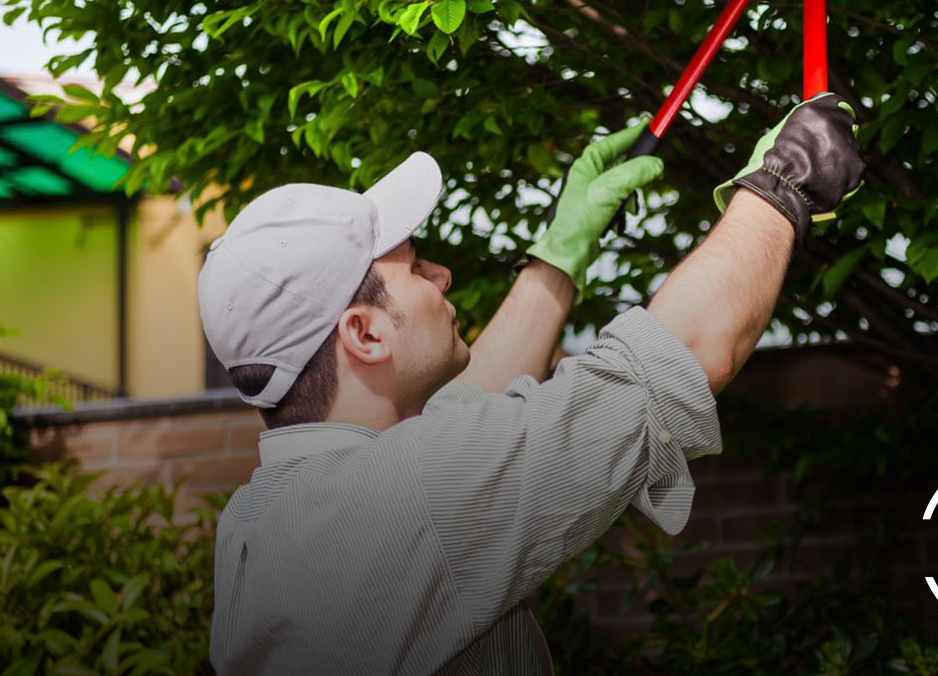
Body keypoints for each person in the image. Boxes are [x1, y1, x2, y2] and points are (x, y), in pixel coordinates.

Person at [199, 92, 864, 674]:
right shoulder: (409, 496)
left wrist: (563, 247)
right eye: (414, 267)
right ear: (365, 335)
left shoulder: (263, 518)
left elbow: (469, 421)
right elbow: (674, 360)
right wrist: (782, 184)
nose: (442, 277)